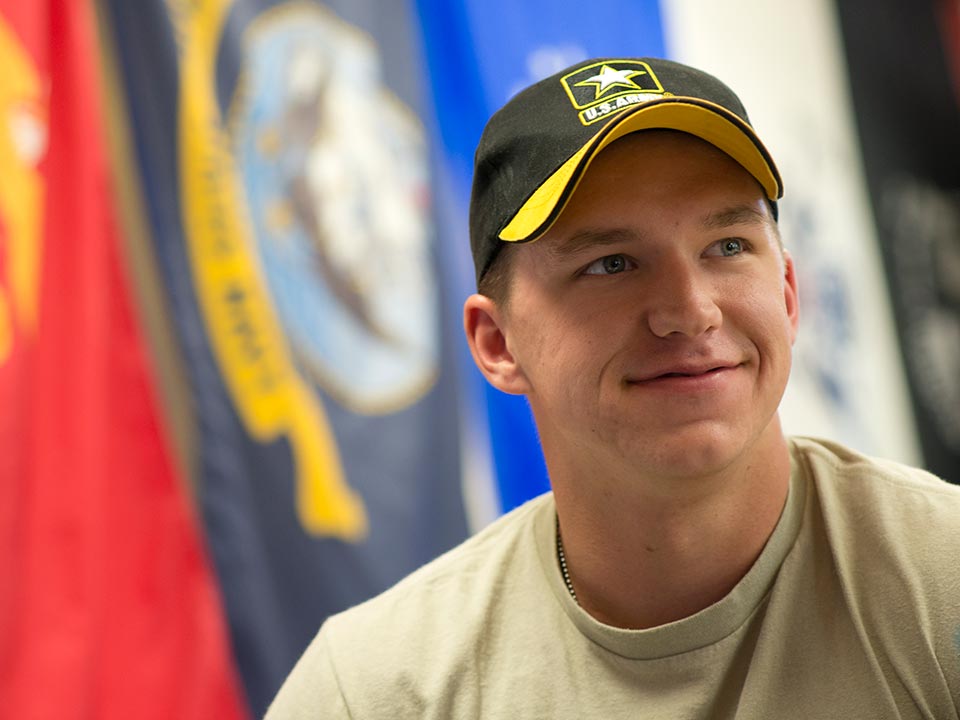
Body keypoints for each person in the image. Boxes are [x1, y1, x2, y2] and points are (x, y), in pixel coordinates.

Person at [265, 56, 960, 719]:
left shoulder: (941, 579)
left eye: (727, 247)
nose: (690, 310)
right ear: (497, 344)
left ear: (787, 293)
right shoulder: (374, 691)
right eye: (612, 263)